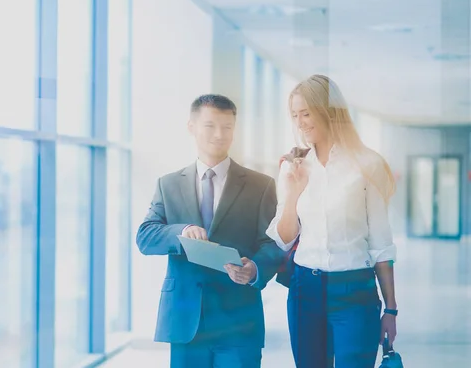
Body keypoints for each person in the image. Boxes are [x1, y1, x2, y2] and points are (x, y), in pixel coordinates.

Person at [136, 94, 285, 368]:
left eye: (227, 127)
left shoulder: (260, 185)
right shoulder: (168, 184)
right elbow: (145, 236)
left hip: (238, 320)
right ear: (191, 127)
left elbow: (272, 244)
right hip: (185, 320)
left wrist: (254, 268)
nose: (219, 134)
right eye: (210, 126)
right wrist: (183, 230)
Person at [267, 74, 398, 368]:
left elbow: (381, 243)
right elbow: (285, 237)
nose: (300, 122)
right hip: (305, 290)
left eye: (307, 112)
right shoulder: (293, 166)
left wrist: (391, 308)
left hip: (355, 290)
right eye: (295, 115)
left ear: (328, 111)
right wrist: (293, 192)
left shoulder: (367, 164)